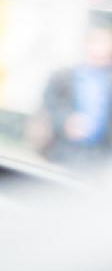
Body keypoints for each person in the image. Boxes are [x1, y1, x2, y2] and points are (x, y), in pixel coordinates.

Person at [31, 13, 112, 168]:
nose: (101, 51)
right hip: (64, 153)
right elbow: (48, 106)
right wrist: (66, 121)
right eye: (97, 43)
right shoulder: (63, 77)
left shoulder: (108, 79)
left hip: (102, 157)